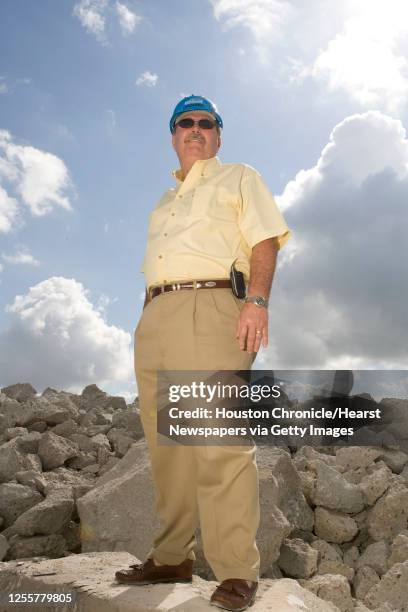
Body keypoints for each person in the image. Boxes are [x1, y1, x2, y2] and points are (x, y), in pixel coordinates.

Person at [115, 95, 290, 611]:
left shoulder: (238, 176)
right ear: (173, 135)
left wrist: (256, 301)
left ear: (217, 135)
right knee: (167, 447)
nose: (195, 130)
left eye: (205, 123)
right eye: (185, 123)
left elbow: (265, 241)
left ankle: (236, 570)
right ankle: (172, 557)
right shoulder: (164, 202)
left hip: (213, 306)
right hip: (156, 316)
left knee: (219, 442)